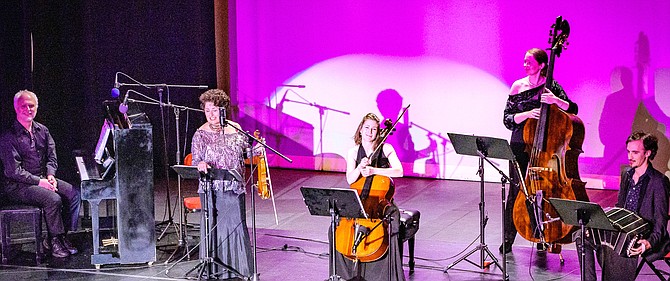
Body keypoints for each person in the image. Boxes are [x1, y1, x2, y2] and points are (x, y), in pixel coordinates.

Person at [501, 48, 579, 254]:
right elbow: (508, 119)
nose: (525, 64)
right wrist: (527, 114)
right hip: (520, 144)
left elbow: (572, 108)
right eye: (524, 61)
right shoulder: (518, 86)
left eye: (529, 61)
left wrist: (555, 101)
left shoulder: (551, 86)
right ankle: (508, 238)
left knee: (543, 191)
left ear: (542, 65)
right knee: (517, 191)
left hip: (545, 147)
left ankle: (542, 235)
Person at [575, 131, 670, 281]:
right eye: (628, 152)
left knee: (617, 246)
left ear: (648, 153)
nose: (630, 157)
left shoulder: (659, 181)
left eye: (635, 152)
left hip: (643, 233)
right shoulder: (627, 174)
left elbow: (660, 221)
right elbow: (620, 207)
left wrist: (648, 243)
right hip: (622, 227)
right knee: (582, 234)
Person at [0, 90, 80, 258]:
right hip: (19, 186)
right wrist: (40, 182)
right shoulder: (9, 137)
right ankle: (54, 239)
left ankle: (61, 234)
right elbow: (13, 171)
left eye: (32, 106)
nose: (28, 109)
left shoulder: (42, 130)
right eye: (24, 106)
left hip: (43, 178)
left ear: (37, 107)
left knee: (73, 194)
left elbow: (52, 157)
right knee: (53, 199)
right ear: (16, 108)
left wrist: (50, 175)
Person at [335, 112, 405, 281]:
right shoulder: (353, 152)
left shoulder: (386, 148)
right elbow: (351, 179)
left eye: (374, 129)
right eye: (367, 128)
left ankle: (387, 274)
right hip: (359, 201)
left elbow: (399, 171)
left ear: (378, 131)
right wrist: (360, 167)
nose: (370, 132)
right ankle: (343, 273)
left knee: (392, 222)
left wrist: (375, 170)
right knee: (334, 226)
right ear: (360, 129)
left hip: (379, 203)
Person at [191, 89, 253, 278]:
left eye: (215, 110)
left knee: (235, 226)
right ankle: (214, 270)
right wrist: (200, 164)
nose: (211, 114)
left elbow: (246, 151)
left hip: (233, 187)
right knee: (213, 228)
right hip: (212, 189)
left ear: (223, 110)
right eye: (207, 110)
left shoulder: (235, 129)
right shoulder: (200, 134)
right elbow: (195, 160)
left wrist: (256, 150)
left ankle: (238, 270)